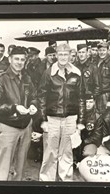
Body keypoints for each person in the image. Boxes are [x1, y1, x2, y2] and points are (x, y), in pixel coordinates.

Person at [0, 46, 38, 181]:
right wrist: (14, 107)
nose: (19, 62)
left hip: (26, 126)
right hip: (8, 126)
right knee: (3, 168)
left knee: (20, 168)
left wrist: (33, 105)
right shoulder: (1, 79)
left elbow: (34, 96)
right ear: (10, 59)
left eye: (22, 59)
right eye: (16, 59)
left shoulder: (27, 77)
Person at [38, 43, 85, 181]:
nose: (63, 57)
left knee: (67, 152)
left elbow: (82, 98)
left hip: (71, 118)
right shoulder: (48, 73)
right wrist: (43, 120)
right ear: (56, 55)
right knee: (50, 152)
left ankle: (66, 182)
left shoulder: (77, 73)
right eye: (60, 54)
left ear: (70, 56)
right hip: (52, 118)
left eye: (66, 54)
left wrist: (81, 121)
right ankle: (46, 182)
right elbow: (41, 97)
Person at [73, 94, 100, 164]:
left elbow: (97, 136)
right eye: (86, 102)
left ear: (94, 102)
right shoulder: (76, 114)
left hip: (88, 142)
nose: (88, 104)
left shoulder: (98, 117)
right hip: (75, 141)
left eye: (90, 102)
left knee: (88, 154)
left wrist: (83, 142)